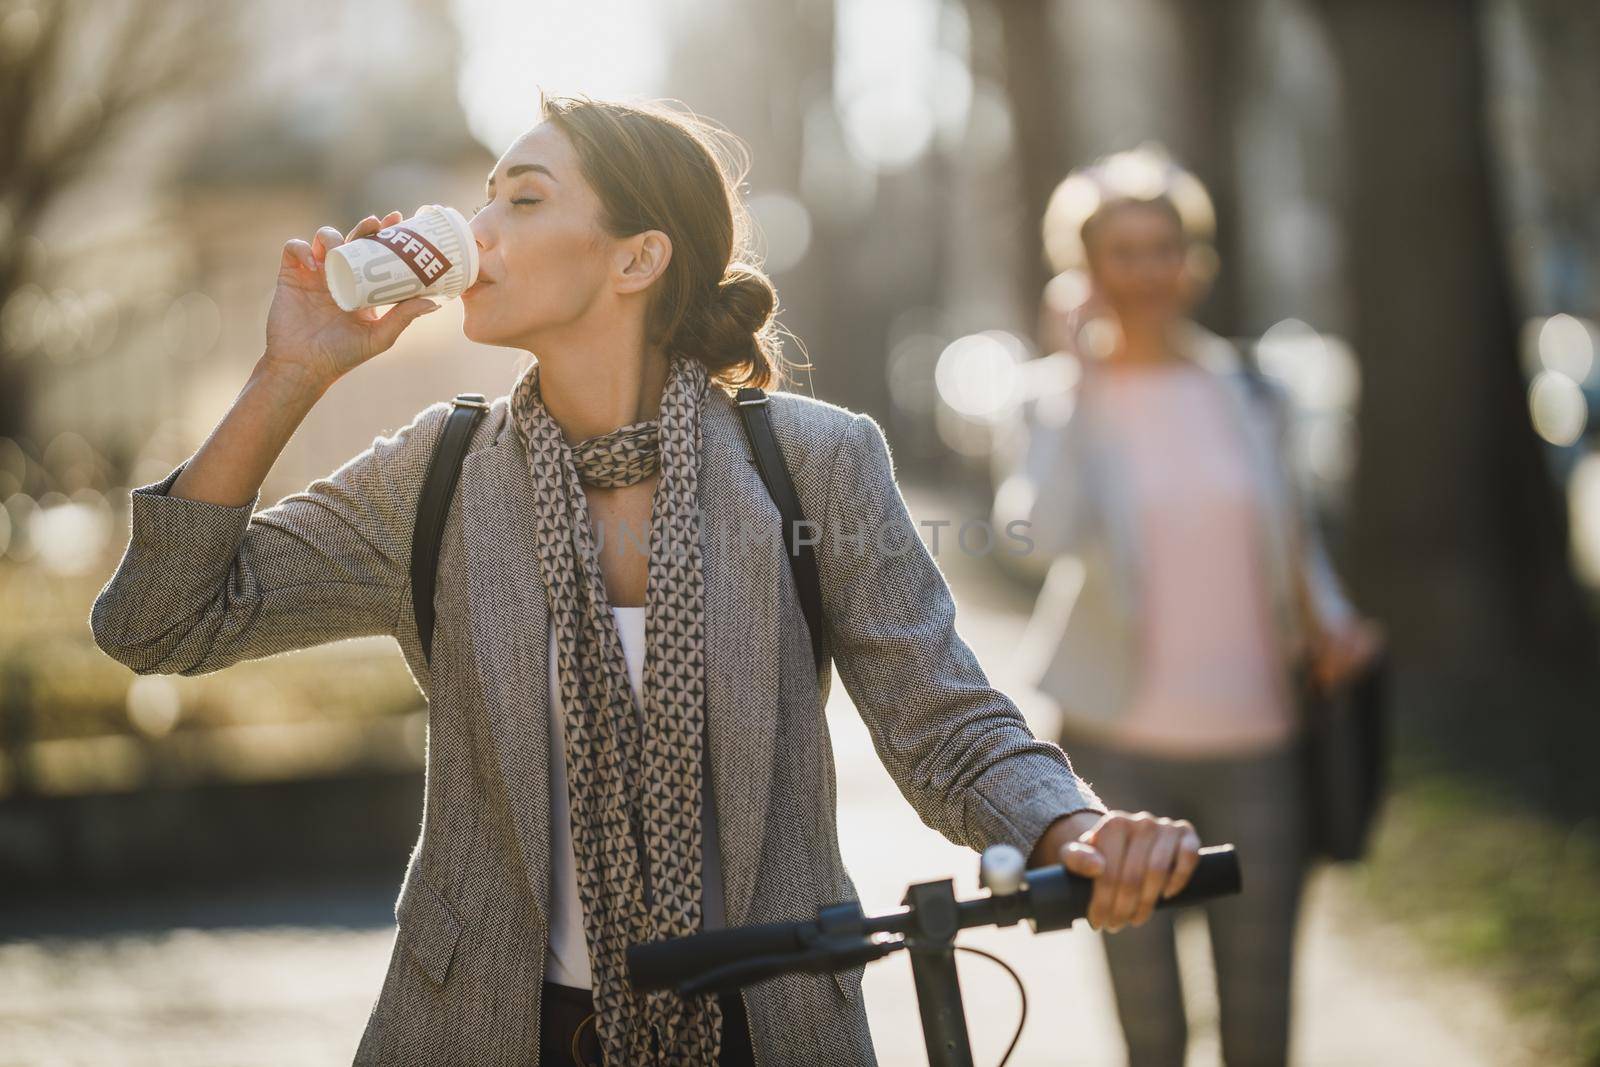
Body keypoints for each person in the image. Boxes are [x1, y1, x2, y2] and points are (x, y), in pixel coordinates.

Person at [91, 95, 1204, 1067]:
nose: (478, 229)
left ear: (635, 257)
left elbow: (943, 723)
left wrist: (1071, 826)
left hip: (762, 1029)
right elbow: (159, 621)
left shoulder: (812, 461)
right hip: (488, 1030)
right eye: (484, 197)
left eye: (522, 200)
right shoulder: (434, 474)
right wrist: (293, 371)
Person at [993, 144, 1384, 1066]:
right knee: (1152, 1034)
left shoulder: (1252, 393)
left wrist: (1331, 621)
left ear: (1191, 260)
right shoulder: (1059, 401)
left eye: (1161, 246)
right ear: (1084, 270)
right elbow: (1031, 539)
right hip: (1113, 758)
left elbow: (1293, 538)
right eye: (1120, 250)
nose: (1144, 269)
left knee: (1260, 1023)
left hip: (1261, 740)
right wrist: (1077, 376)